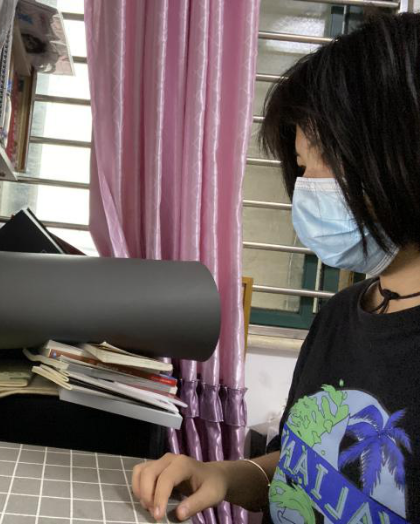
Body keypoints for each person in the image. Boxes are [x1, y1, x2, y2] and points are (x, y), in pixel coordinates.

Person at [132, 13, 420, 524]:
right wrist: (221, 475)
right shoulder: (338, 317)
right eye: (301, 167)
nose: (305, 187)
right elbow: (296, 466)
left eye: (319, 160)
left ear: (396, 151)